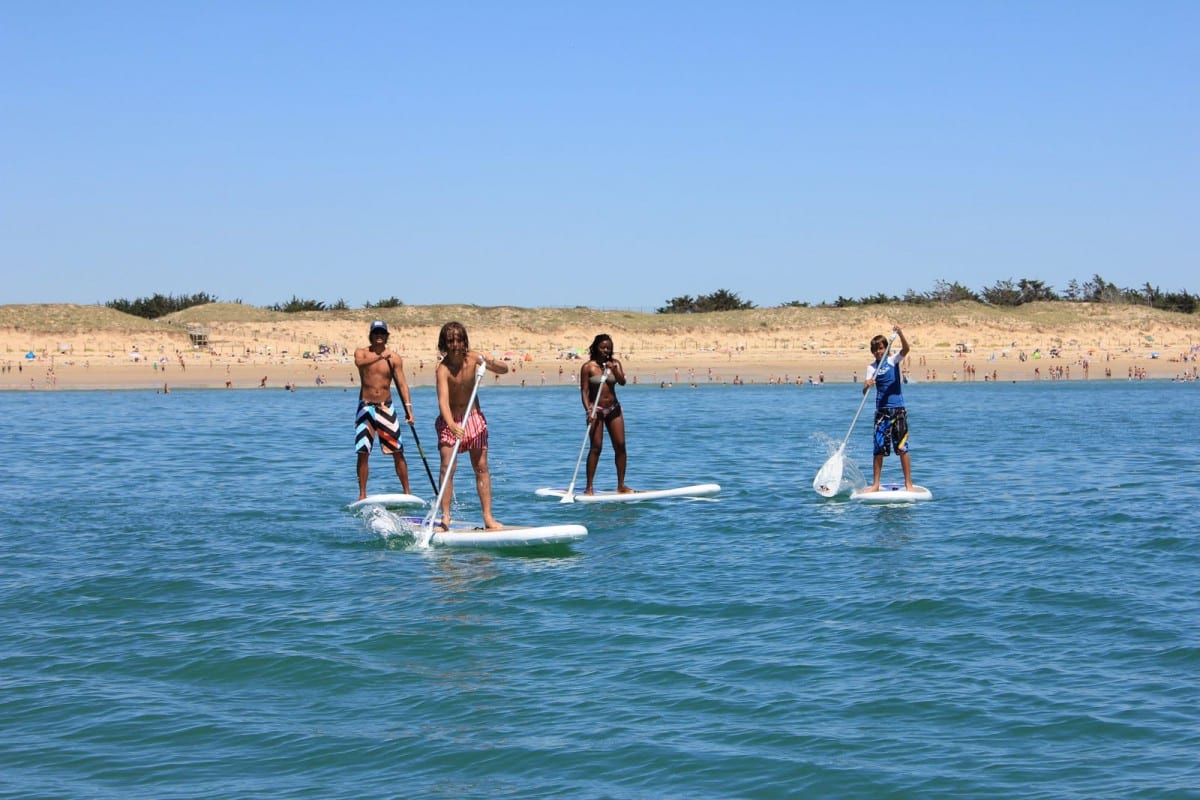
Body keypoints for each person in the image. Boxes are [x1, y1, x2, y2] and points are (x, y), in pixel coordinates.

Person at [434, 321, 508, 530]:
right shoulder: (443, 369)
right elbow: (442, 401)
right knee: (447, 466)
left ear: (464, 341)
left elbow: (504, 369)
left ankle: (488, 517)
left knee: (481, 467)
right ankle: (445, 517)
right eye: (451, 340)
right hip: (451, 420)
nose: (455, 344)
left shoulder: (475, 358)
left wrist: (490, 363)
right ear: (445, 343)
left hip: (473, 418)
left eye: (459, 339)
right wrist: (450, 424)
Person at [354, 320, 414, 501]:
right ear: (371, 335)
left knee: (398, 451)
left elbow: (402, 384)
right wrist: (381, 356)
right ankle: (362, 494)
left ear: (386, 336)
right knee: (363, 451)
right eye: (376, 333)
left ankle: (407, 492)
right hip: (366, 408)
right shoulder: (362, 353)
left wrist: (409, 409)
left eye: (382, 333)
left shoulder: (394, 358)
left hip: (386, 407)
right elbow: (360, 363)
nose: (379, 336)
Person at [861, 325, 914, 492]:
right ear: (872, 351)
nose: (878, 352)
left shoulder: (893, 360)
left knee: (902, 448)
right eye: (875, 349)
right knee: (878, 450)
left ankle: (908, 484)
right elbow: (865, 391)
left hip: (898, 409)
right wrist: (867, 385)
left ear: (886, 348)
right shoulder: (871, 368)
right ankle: (875, 484)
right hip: (882, 412)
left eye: (881, 348)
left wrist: (900, 334)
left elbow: (906, 349)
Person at [580, 333, 632, 495]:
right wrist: (589, 410)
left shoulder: (615, 363)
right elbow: (584, 391)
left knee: (621, 446)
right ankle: (589, 487)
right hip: (597, 411)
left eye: (609, 348)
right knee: (596, 447)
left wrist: (614, 370)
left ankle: (621, 485)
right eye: (603, 347)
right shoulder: (588, 367)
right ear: (596, 347)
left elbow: (622, 382)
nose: (606, 350)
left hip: (614, 409)